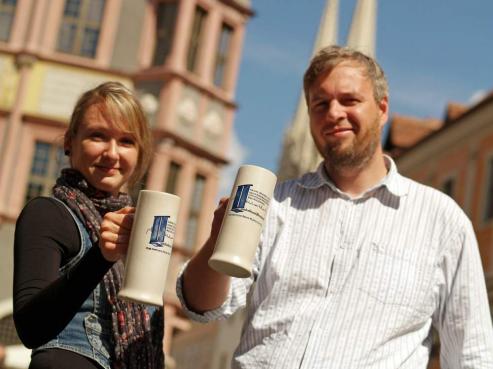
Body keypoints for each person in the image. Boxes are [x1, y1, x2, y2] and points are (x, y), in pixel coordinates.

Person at [176, 46, 493, 368]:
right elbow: (200, 306)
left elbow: (473, 352)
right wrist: (219, 238)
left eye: (349, 100)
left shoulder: (442, 220)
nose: (334, 113)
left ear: (382, 109)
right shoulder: (275, 206)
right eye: (320, 104)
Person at [13, 82, 164, 369]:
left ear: (140, 152)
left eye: (126, 141)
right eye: (98, 136)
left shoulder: (142, 230)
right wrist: (100, 257)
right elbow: (30, 328)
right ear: (70, 141)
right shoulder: (49, 213)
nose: (112, 153)